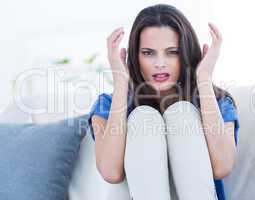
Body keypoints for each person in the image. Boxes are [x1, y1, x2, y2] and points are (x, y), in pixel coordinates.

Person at [88, 4, 240, 200]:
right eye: (148, 53)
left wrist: (203, 78)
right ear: (135, 56)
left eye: (172, 52)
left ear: (186, 53)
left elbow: (222, 167)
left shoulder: (218, 102)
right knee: (143, 118)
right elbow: (111, 172)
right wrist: (120, 83)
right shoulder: (107, 104)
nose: (160, 63)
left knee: (182, 114)